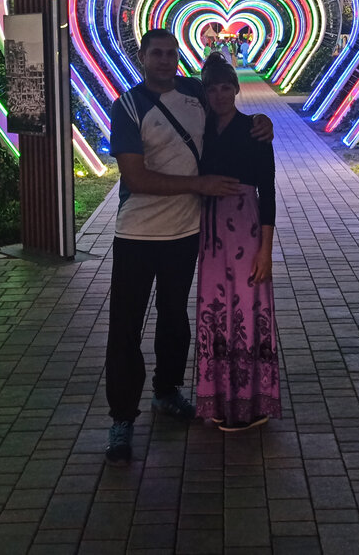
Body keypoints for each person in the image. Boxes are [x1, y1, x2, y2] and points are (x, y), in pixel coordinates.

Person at [105, 28, 272, 465]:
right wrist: (199, 184)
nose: (164, 60)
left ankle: (166, 390)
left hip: (185, 234)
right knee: (125, 327)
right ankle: (122, 418)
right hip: (137, 233)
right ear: (141, 57)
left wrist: (262, 122)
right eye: (156, 54)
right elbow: (135, 178)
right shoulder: (127, 107)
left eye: (170, 53)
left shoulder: (195, 94)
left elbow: (228, 106)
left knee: (175, 319)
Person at [195, 53, 281, 430]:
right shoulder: (198, 130)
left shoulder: (254, 131)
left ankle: (252, 401)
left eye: (225, 87)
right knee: (213, 310)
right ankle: (216, 396)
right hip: (209, 230)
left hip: (246, 227)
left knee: (248, 309)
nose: (219, 95)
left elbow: (269, 192)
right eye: (211, 88)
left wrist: (266, 249)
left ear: (236, 89)